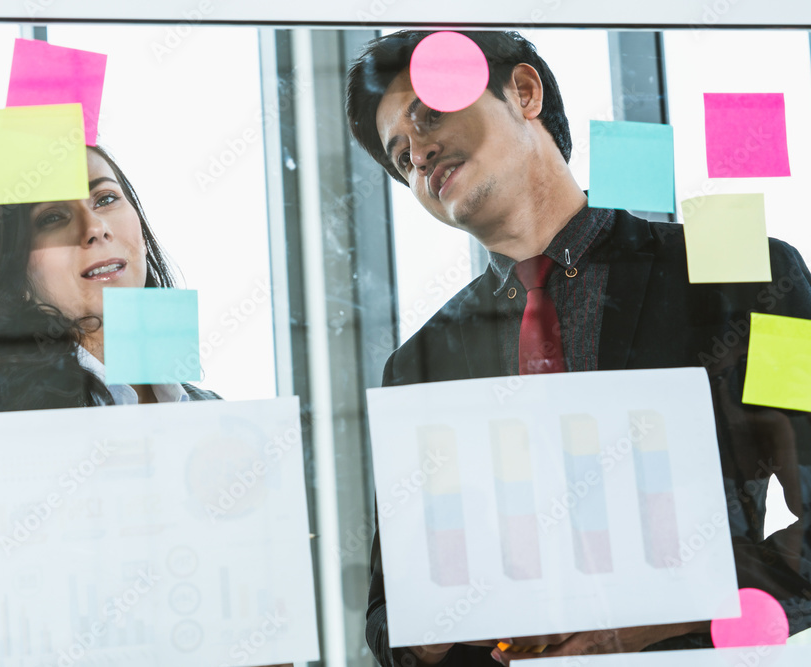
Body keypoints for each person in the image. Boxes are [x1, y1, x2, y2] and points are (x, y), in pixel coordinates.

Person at [346, 29, 811, 666]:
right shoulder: (419, 367)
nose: (418, 155)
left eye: (429, 114)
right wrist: (440, 635)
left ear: (524, 91)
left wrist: (679, 615)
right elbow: (387, 613)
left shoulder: (746, 277)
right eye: (401, 158)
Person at [0, 145, 222, 666]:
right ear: (16, 264)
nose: (94, 228)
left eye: (107, 197)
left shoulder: (214, 417)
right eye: (55, 217)